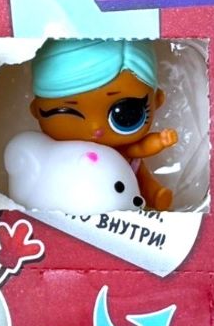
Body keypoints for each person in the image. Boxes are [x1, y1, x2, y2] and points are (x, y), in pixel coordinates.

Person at [28, 38, 178, 210]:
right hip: (71, 198)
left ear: (157, 100)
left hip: (126, 190)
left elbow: (140, 148)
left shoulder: (122, 152)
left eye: (125, 113)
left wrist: (160, 141)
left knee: (142, 178)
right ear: (36, 110)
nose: (95, 128)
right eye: (67, 112)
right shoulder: (53, 155)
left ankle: (154, 195)